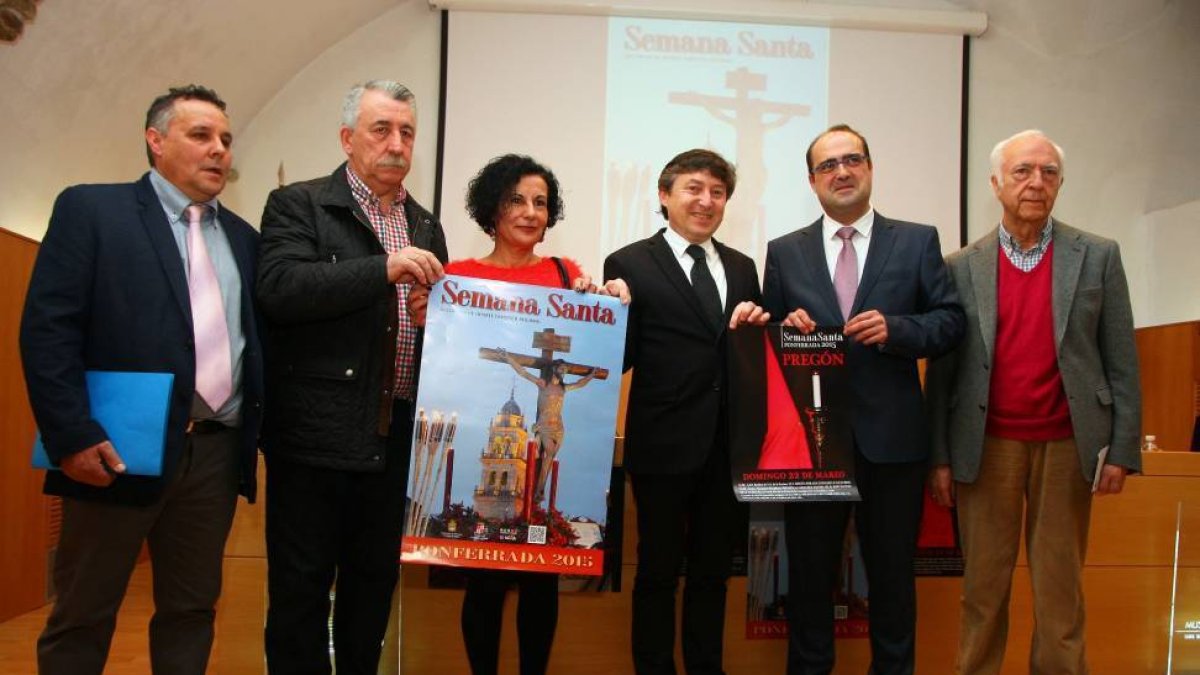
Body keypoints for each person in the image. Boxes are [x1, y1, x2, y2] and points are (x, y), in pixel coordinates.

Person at [19, 84, 263, 675]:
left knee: (191, 611)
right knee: (83, 614)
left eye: (226, 139)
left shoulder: (245, 239)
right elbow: (49, 330)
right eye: (200, 135)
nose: (219, 150)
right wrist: (71, 435)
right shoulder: (92, 211)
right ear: (156, 140)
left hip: (214, 454)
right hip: (114, 450)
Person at [926, 129, 1141, 674]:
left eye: (1048, 172)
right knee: (982, 592)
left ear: (1061, 184)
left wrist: (1122, 449)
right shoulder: (959, 266)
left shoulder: (1098, 256)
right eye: (1022, 171)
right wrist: (940, 457)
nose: (1036, 182)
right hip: (986, 448)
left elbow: (1122, 360)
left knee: (1060, 593)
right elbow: (943, 376)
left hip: (1069, 446)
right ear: (996, 183)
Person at [256, 80, 447, 675]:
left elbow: (434, 341)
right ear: (347, 138)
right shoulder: (299, 204)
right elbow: (280, 288)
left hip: (394, 443)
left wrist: (434, 320)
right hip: (314, 440)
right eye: (381, 129)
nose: (397, 143)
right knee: (300, 593)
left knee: (372, 590)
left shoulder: (425, 224)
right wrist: (382, 269)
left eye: (407, 132)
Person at [410, 153, 628, 675]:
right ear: (492, 208)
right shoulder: (458, 279)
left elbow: (593, 339)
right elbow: (453, 355)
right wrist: (426, 317)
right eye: (516, 200)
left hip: (546, 435)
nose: (530, 212)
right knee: (483, 584)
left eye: (540, 203)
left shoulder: (565, 275)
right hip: (492, 435)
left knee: (540, 582)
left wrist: (609, 299)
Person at [761, 124, 964, 675]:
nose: (842, 171)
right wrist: (784, 328)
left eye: (852, 160)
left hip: (893, 442)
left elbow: (950, 322)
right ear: (812, 181)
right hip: (813, 444)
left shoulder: (917, 240)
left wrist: (899, 330)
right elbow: (769, 339)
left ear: (870, 168)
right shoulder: (784, 251)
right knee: (809, 578)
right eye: (828, 165)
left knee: (893, 578)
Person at [603, 148, 769, 675]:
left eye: (717, 192)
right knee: (656, 572)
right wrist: (607, 313)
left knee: (712, 574)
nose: (706, 201)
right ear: (664, 194)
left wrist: (760, 326)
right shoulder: (629, 263)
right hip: (662, 445)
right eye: (694, 189)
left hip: (728, 447)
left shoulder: (742, 267)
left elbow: (750, 357)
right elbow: (619, 358)